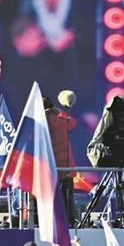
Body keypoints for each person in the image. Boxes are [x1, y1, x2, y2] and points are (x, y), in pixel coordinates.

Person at [43, 96, 77, 224]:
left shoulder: (42, 121)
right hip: (66, 167)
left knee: (49, 199)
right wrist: (59, 111)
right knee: (67, 198)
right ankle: (68, 222)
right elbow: (73, 122)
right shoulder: (62, 120)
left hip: (50, 168)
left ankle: (49, 223)